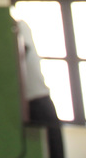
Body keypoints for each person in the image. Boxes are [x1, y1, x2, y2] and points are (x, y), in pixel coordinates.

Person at [17, 19, 65, 158]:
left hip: (38, 103)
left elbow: (21, 51)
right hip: (23, 105)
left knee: (51, 151)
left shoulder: (18, 26)